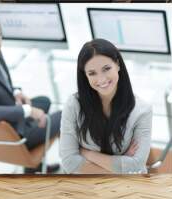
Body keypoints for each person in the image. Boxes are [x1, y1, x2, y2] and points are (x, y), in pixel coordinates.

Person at [0, 15, 61, 174]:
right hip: (14, 134)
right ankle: (35, 160)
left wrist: (16, 92)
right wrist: (28, 111)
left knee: (44, 101)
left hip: (10, 115)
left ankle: (32, 168)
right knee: (64, 115)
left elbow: (1, 80)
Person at [59, 39, 153, 174]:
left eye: (106, 69)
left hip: (127, 188)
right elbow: (69, 162)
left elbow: (136, 165)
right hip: (89, 189)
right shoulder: (73, 104)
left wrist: (87, 154)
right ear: (85, 76)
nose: (101, 79)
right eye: (92, 73)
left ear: (118, 65)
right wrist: (121, 163)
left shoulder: (142, 110)